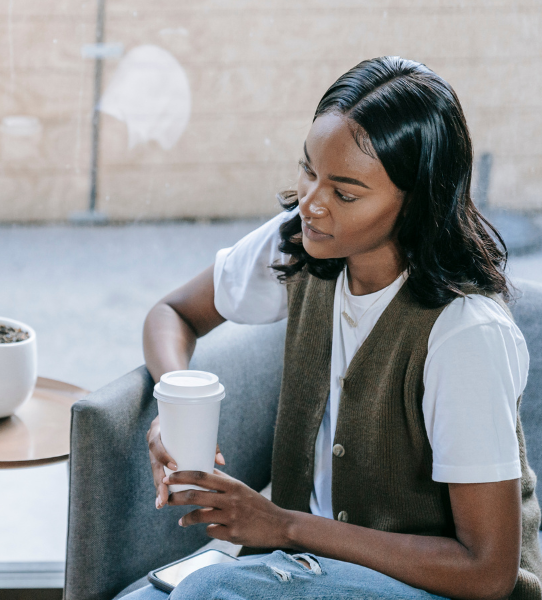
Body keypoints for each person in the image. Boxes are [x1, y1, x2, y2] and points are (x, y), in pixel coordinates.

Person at [134, 56, 540, 599]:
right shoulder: (302, 244)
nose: (310, 204)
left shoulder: (465, 333)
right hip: (308, 566)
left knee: (209, 592)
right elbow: (173, 313)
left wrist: (282, 526)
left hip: (437, 588)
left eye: (345, 193)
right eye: (308, 170)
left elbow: (487, 572)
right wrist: (174, 402)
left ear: (418, 202)